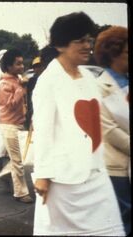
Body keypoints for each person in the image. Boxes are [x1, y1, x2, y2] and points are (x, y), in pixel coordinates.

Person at [32, 12, 124, 235]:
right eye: (80, 41)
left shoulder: (91, 76)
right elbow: (42, 131)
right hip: (63, 180)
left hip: (96, 174)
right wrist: (43, 175)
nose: (87, 46)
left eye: (89, 40)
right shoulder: (48, 81)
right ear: (61, 45)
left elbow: (119, 110)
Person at [94, 26, 130, 235]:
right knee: (123, 219)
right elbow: (108, 130)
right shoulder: (99, 86)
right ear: (113, 52)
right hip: (117, 166)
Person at [0, 48, 33, 203]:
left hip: (19, 123)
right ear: (9, 66)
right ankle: (20, 192)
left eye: (21, 63)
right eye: (18, 64)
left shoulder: (17, 80)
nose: (21, 66)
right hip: (9, 125)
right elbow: (11, 104)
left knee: (19, 158)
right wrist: (20, 88)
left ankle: (4, 176)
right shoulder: (4, 84)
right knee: (18, 160)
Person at [24, 56, 46, 130]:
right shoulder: (31, 81)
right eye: (36, 66)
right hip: (34, 109)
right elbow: (28, 97)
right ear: (33, 68)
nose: (38, 68)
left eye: (40, 66)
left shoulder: (48, 79)